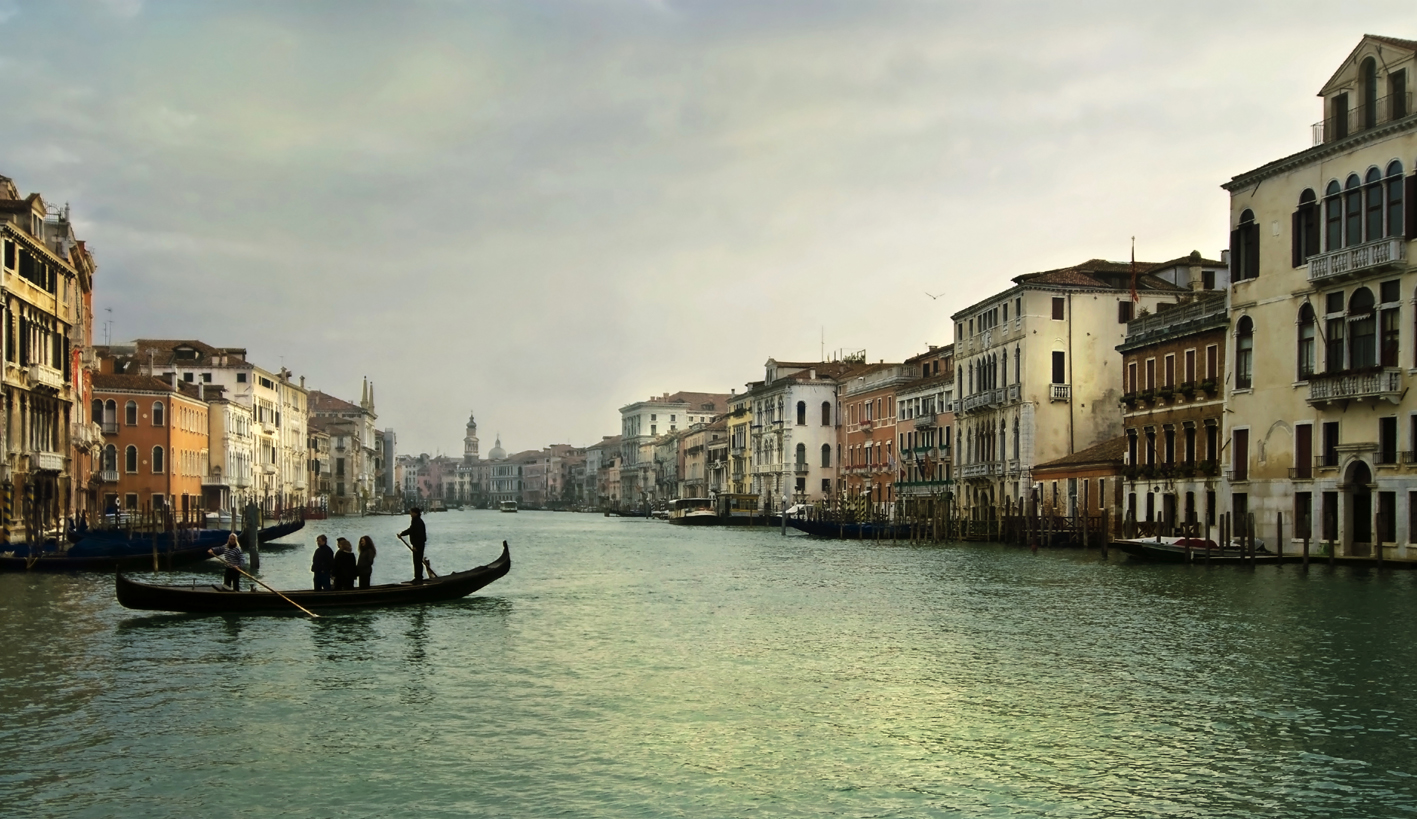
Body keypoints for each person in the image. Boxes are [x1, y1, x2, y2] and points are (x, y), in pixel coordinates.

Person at [399, 507, 428, 581]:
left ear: (416, 513)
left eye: (411, 512)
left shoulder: (418, 522)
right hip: (417, 544)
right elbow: (411, 530)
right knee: (416, 561)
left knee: (418, 561)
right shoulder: (415, 521)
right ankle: (417, 577)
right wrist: (402, 534)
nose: (410, 514)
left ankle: (419, 577)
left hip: (419, 545)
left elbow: (419, 535)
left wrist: (415, 546)